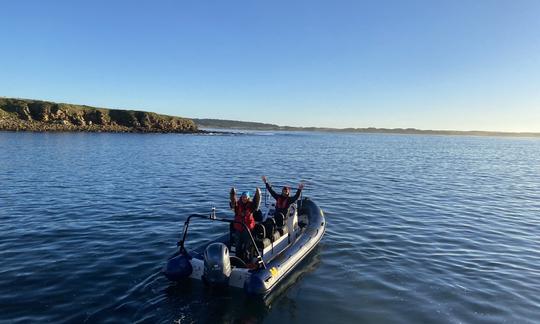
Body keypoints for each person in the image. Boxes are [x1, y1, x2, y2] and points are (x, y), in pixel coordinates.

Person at [229, 188, 260, 261]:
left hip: (247, 229)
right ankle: (237, 260)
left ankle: (247, 261)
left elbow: (256, 201)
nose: (244, 198)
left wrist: (257, 193)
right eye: (243, 197)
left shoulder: (252, 206)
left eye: (246, 197)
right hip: (238, 228)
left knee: (247, 247)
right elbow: (233, 202)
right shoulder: (237, 205)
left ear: (248, 198)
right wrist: (233, 193)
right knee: (238, 246)